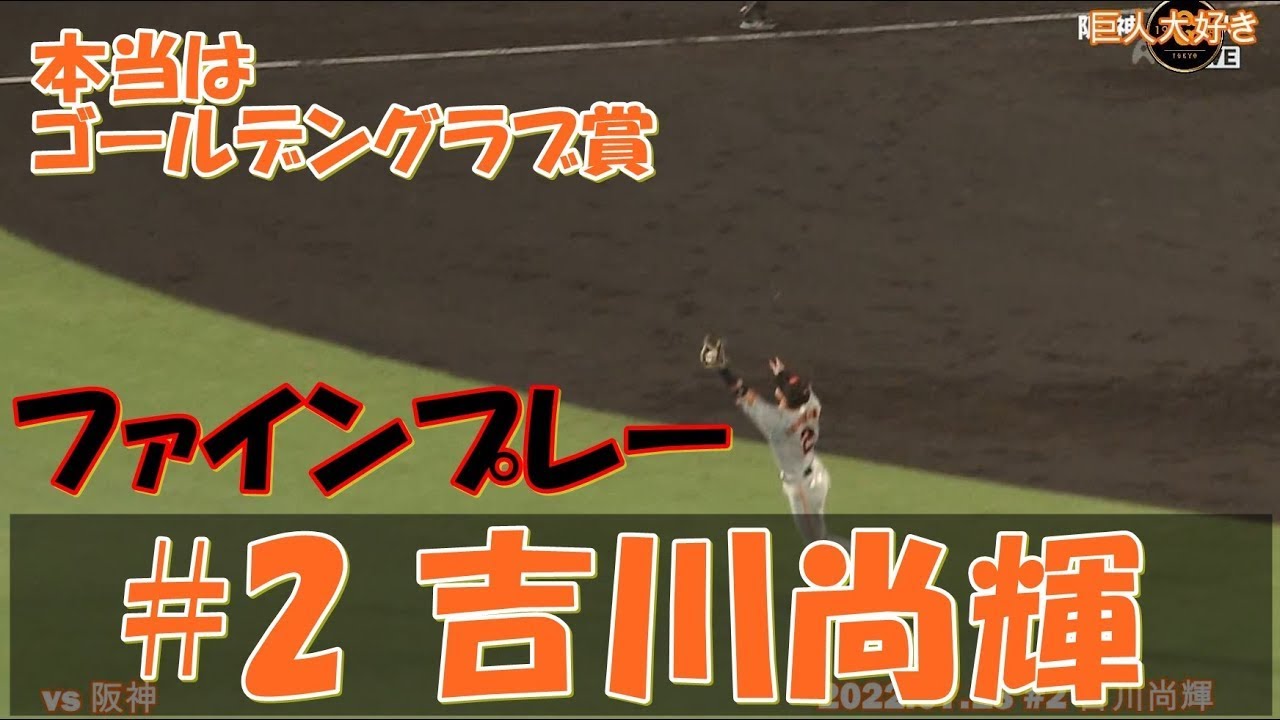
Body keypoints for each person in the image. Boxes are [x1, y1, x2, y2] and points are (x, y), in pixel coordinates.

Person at [700, 335, 837, 546]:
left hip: (802, 489)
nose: (778, 387)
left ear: (783, 397)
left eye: (781, 387)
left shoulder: (776, 424)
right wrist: (782, 374)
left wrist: (722, 369)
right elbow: (796, 389)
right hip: (818, 476)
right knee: (821, 536)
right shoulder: (812, 403)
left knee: (817, 543)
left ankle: (868, 558)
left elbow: (743, 393)